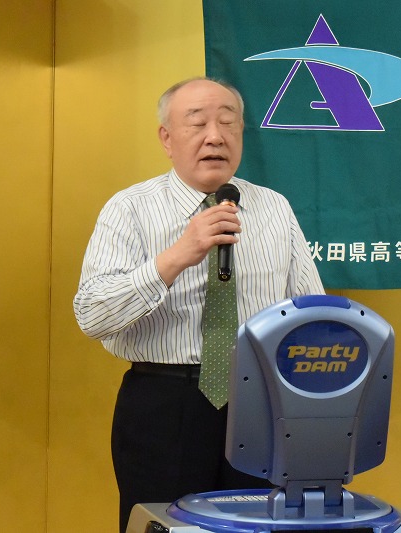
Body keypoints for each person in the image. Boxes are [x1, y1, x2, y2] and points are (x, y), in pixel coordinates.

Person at [73, 77, 324, 532]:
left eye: (228, 123)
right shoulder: (130, 208)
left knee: (263, 526)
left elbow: (310, 312)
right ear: (167, 138)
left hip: (262, 404)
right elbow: (93, 314)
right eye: (198, 123)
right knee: (166, 525)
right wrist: (177, 256)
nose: (215, 136)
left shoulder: (274, 208)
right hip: (164, 404)